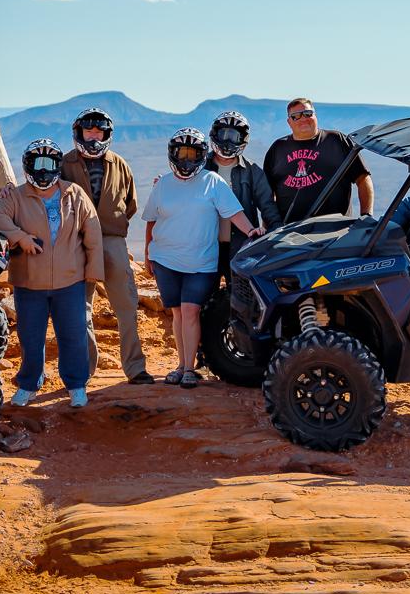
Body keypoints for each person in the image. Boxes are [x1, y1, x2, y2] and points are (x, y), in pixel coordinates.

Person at [0, 138, 103, 407]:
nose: (43, 170)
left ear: (57, 165)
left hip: (70, 281)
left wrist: (93, 272)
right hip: (29, 283)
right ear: (28, 166)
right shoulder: (15, 195)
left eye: (49, 163)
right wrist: (19, 237)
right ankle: (29, 385)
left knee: (73, 335)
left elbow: (92, 234)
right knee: (30, 337)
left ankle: (76, 387)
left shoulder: (74, 194)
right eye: (37, 163)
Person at [142, 128, 263, 388]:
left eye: (193, 153)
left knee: (191, 310)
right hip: (165, 259)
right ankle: (180, 364)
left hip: (200, 262)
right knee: (177, 313)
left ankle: (189, 368)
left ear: (202, 154)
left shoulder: (213, 181)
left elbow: (234, 213)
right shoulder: (162, 183)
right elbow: (152, 220)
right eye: (182, 153)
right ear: (172, 153)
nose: (186, 159)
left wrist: (252, 230)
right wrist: (147, 253)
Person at [59, 107, 152, 385]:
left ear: (107, 134)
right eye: (89, 131)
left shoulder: (120, 164)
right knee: (79, 309)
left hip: (113, 242)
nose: (94, 136)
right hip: (75, 243)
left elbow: (130, 204)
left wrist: (110, 227)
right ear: (79, 132)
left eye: (99, 131)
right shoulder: (65, 164)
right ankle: (83, 372)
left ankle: (135, 369)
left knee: (126, 305)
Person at [262, 97, 373, 223]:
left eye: (308, 114)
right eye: (296, 116)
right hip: (289, 233)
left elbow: (363, 178)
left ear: (315, 116)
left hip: (335, 230)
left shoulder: (336, 141)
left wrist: (366, 217)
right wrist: (269, 227)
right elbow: (268, 195)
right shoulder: (277, 149)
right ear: (289, 122)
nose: (303, 119)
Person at [204, 110, 280, 277]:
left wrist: (275, 240)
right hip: (204, 247)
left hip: (241, 247)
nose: (227, 140)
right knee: (205, 298)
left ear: (243, 139)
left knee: (241, 299)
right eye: (223, 134)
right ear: (215, 133)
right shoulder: (201, 168)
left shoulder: (252, 171)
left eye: (234, 136)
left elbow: (268, 207)